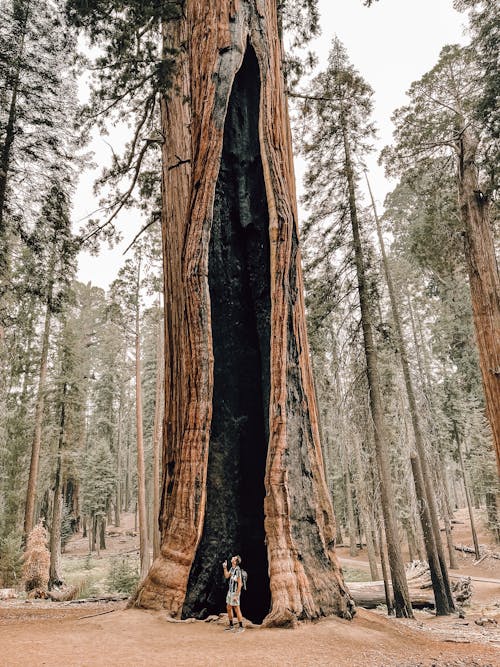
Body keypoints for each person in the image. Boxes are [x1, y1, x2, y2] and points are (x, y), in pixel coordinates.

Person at [222, 555, 244, 633]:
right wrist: (225, 567)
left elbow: (240, 584)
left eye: (234, 558)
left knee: (236, 609)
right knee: (228, 607)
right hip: (230, 592)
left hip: (235, 592)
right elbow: (227, 576)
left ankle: (241, 627)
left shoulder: (238, 570)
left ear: (235, 561)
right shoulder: (232, 568)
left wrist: (236, 595)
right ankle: (231, 626)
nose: (232, 558)